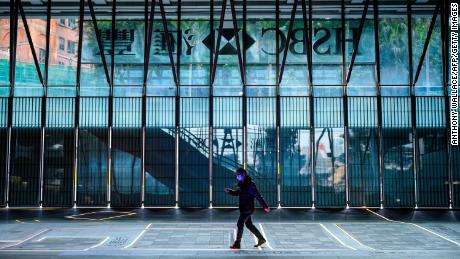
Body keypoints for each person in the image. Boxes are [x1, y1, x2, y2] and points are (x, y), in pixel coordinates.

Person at [224, 167, 270, 249]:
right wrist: (230, 191)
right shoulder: (243, 184)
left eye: (238, 175)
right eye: (236, 175)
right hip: (244, 208)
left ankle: (237, 244)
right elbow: (238, 193)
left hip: (248, 208)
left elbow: (258, 196)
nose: (237, 176)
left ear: (243, 174)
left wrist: (265, 206)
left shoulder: (250, 185)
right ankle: (261, 239)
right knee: (249, 225)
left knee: (240, 223)